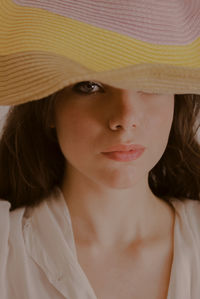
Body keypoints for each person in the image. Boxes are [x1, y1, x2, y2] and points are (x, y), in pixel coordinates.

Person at [0, 1, 200, 299]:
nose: (125, 117)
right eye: (89, 86)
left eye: (151, 83)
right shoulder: (6, 250)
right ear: (48, 107)